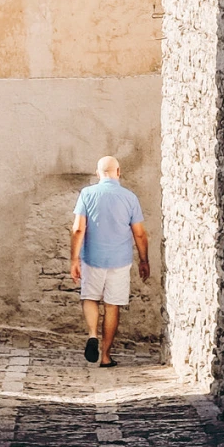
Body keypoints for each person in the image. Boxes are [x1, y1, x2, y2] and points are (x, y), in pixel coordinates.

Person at [70, 155, 148, 367]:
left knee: (90, 298)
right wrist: (144, 260)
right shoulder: (130, 198)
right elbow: (139, 234)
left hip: (92, 257)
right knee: (112, 306)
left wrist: (74, 259)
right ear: (118, 172)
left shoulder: (87, 194)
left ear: (98, 174)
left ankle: (92, 334)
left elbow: (78, 229)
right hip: (120, 261)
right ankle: (105, 356)